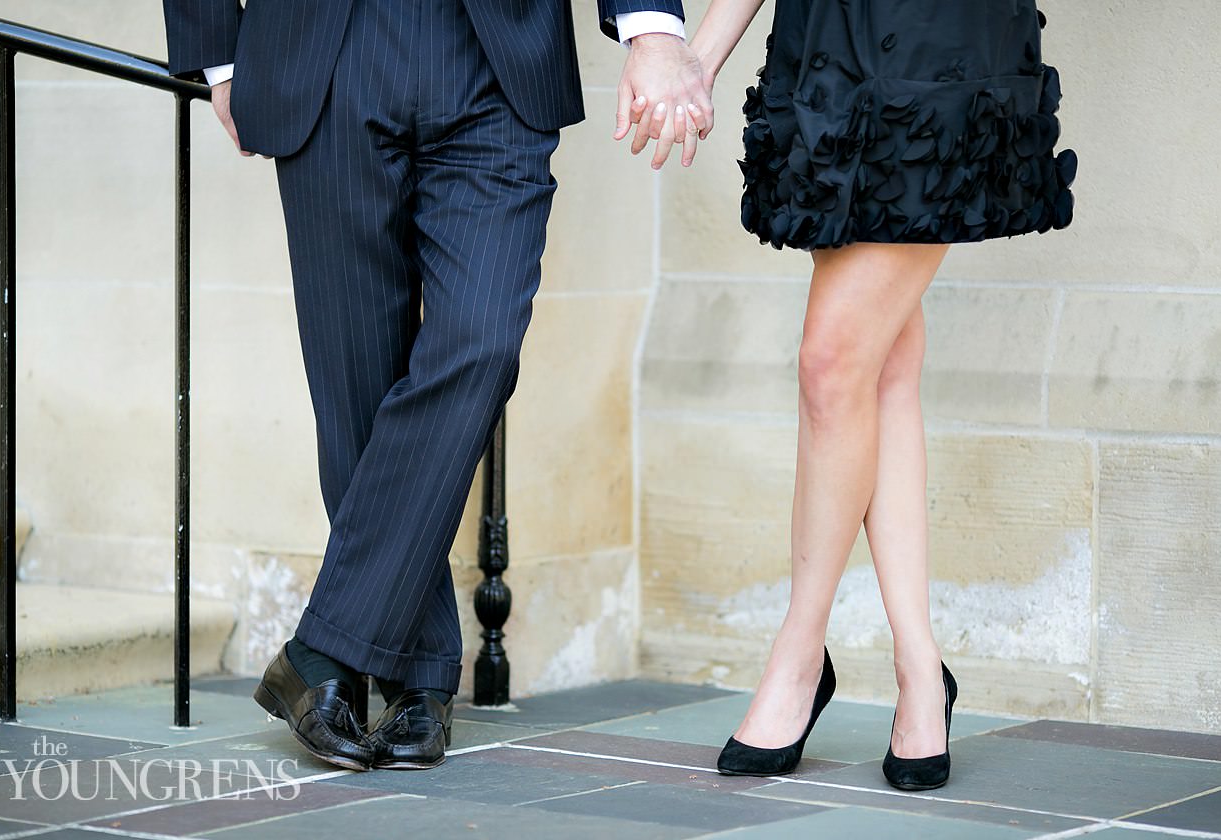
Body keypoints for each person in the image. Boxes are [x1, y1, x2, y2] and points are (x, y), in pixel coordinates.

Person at [161, 0, 708, 772]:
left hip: (494, 55)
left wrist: (651, 26)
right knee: (355, 386)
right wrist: (217, 51)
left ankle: (321, 648)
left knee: (480, 345)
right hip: (325, 48)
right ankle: (419, 677)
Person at [621, 0, 1076, 790]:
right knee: (883, 364)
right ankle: (919, 667)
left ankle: (800, 653)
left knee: (831, 362)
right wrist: (697, 58)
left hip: (944, 42)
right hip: (833, 45)